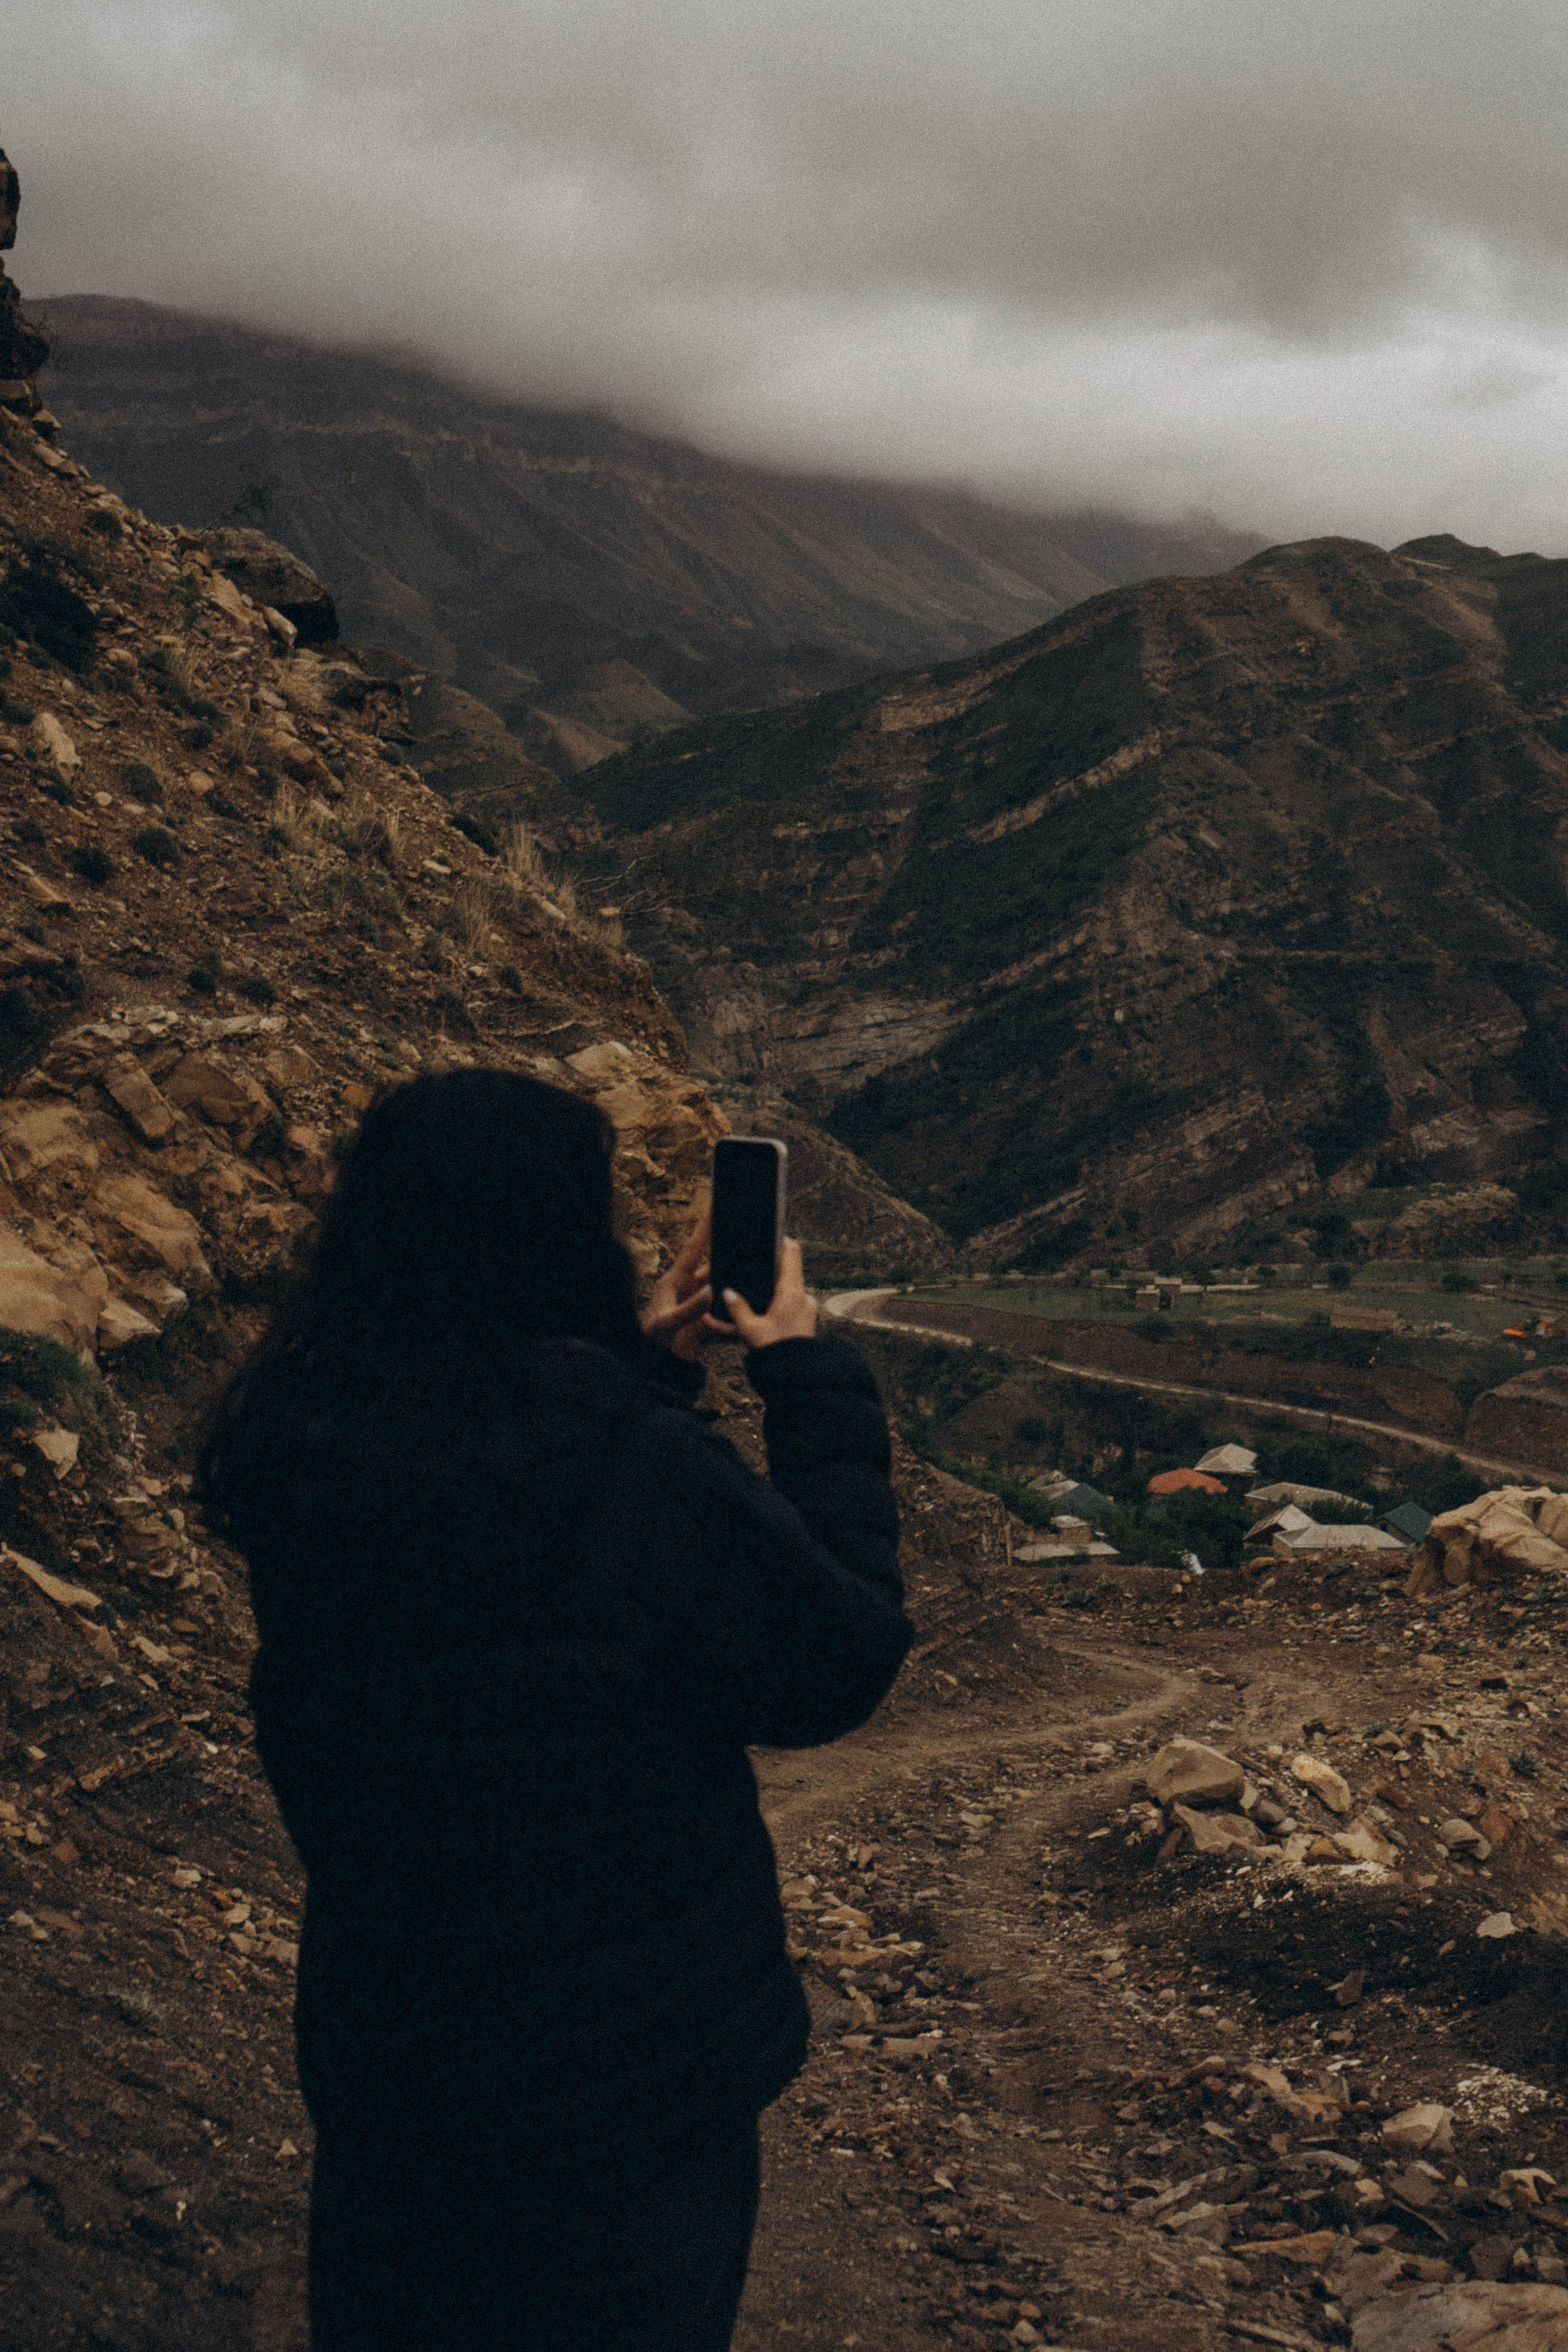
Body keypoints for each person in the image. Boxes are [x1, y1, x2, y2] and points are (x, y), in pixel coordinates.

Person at [197, 1067, 910, 2351]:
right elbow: (833, 1658)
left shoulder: (303, 1445)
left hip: (398, 2067)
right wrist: (804, 1376)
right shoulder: (630, 1468)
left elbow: (490, 1518)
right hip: (628, 2096)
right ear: (564, 1237)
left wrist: (637, 1367)